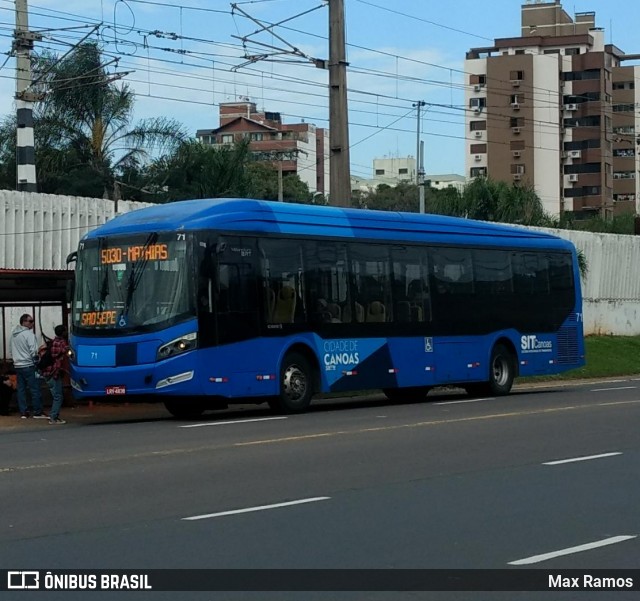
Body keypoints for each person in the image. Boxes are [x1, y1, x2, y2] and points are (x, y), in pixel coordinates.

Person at [10, 314, 46, 419]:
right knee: (35, 389)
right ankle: (37, 412)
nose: (32, 323)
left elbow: (10, 350)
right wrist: (37, 362)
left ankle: (23, 412)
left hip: (18, 365)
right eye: (30, 321)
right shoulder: (29, 335)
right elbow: (33, 351)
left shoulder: (14, 335)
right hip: (29, 365)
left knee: (21, 390)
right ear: (24, 322)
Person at [40, 324, 69, 425]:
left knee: (57, 395)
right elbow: (60, 355)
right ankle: (53, 417)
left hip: (48, 372)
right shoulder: (60, 343)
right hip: (53, 373)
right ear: (63, 333)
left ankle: (54, 416)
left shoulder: (53, 341)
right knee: (58, 396)